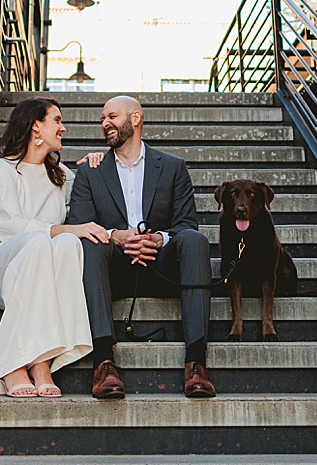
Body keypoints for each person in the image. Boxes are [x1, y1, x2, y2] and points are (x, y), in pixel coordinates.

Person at [66, 95, 217, 399]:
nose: (105, 123)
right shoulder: (90, 171)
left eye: (112, 117)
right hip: (114, 269)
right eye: (102, 119)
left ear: (135, 119)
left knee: (194, 240)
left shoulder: (173, 167)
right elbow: (79, 224)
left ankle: (196, 363)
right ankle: (104, 362)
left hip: (161, 266)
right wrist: (116, 236)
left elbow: (187, 223)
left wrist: (159, 239)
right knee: (90, 242)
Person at [0, 97, 110, 397]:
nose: (64, 128)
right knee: (40, 240)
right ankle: (12, 365)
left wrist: (96, 165)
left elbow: (92, 198)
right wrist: (65, 228)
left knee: (69, 242)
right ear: (35, 126)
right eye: (56, 120)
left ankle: (42, 361)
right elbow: (9, 226)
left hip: (38, 272)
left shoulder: (61, 176)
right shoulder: (2, 170)